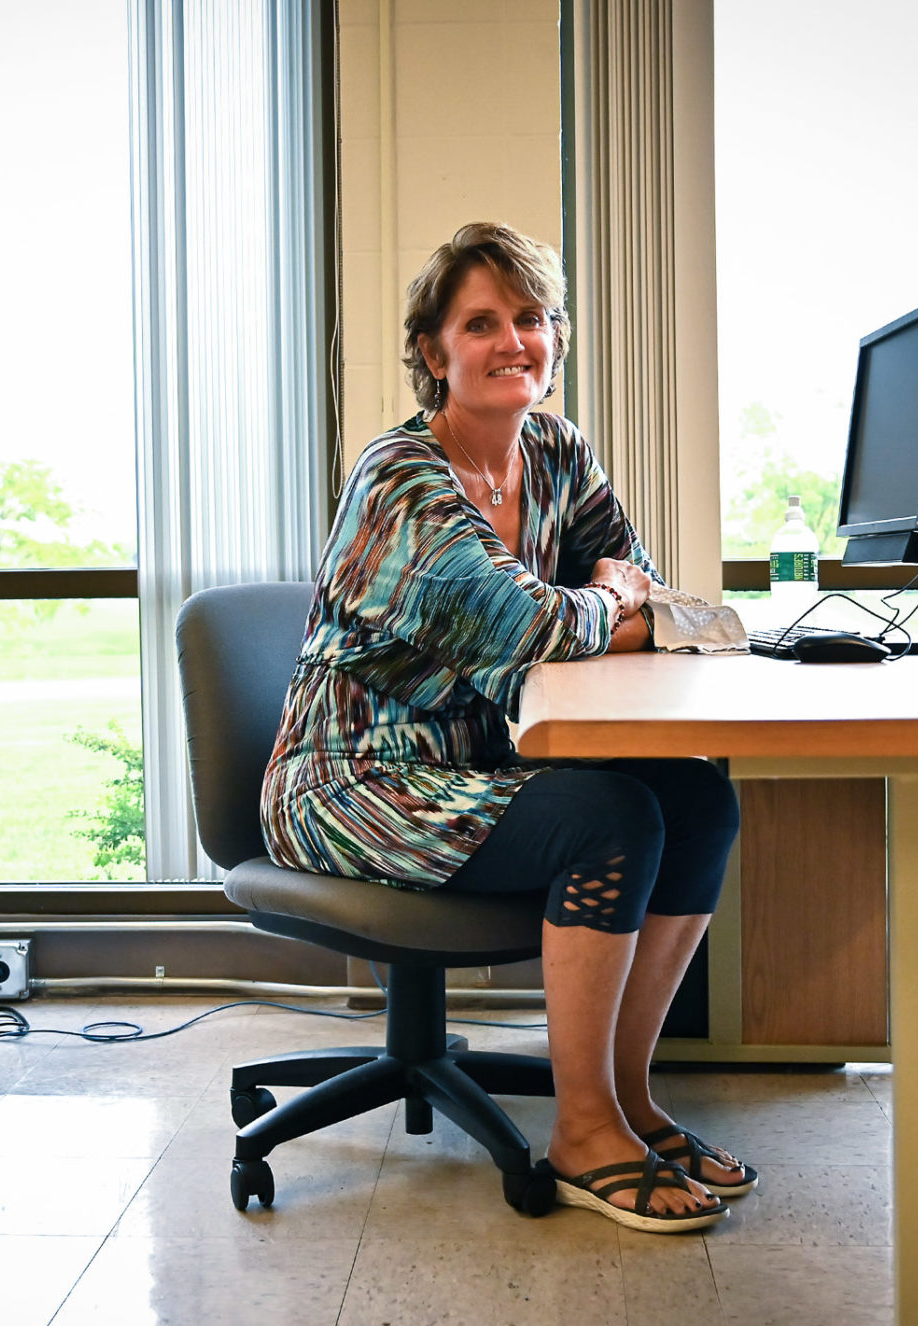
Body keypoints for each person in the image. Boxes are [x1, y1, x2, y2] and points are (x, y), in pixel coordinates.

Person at [260, 222, 750, 1233]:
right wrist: (602, 600)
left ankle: (625, 1099)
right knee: (610, 815)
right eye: (482, 322)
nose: (513, 339)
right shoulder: (398, 478)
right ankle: (580, 1131)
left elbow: (655, 598)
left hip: (475, 764)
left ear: (557, 337)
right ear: (435, 353)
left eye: (532, 318)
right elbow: (528, 627)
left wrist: (612, 600)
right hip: (353, 777)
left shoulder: (560, 455)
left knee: (697, 795)